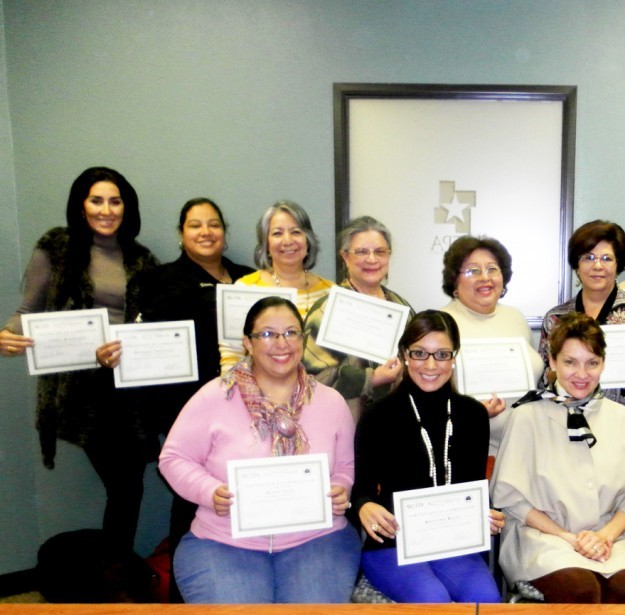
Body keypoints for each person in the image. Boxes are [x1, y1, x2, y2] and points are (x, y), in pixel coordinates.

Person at [159, 297, 360, 603]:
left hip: (318, 541)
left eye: (292, 333)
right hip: (224, 543)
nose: (282, 343)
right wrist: (210, 492)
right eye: (267, 334)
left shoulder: (331, 402)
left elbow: (345, 465)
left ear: (303, 341)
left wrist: (339, 488)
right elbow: (173, 458)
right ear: (248, 344)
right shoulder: (215, 396)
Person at [0, 166, 157, 552]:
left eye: (115, 201)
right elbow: (28, 309)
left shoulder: (142, 258)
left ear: (127, 207)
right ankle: (114, 573)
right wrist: (7, 334)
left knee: (130, 485)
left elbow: (151, 321)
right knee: (124, 485)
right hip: (82, 394)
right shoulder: (56, 246)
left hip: (132, 389)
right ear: (81, 205)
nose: (106, 210)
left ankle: (114, 571)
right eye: (96, 200)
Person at [126, 197, 253, 599]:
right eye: (195, 225)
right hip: (187, 408)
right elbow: (141, 345)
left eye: (214, 224)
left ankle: (243, 579)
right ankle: (185, 592)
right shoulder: (156, 280)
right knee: (191, 500)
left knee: (244, 494)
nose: (205, 232)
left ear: (225, 232)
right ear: (181, 233)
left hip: (251, 409)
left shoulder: (250, 280)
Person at [491, 312, 625, 603]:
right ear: (553, 362)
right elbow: (510, 496)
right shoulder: (525, 416)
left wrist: (604, 536)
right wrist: (568, 538)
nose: (582, 374)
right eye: (570, 362)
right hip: (543, 539)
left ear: (603, 363)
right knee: (581, 590)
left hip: (611, 541)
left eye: (592, 363)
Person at [350, 310, 503, 603]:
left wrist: (487, 514)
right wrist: (365, 506)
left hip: (453, 543)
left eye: (442, 354)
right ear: (406, 354)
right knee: (433, 599)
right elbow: (362, 491)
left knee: (486, 600)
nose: (431, 365)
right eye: (420, 353)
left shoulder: (472, 415)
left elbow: (472, 489)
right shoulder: (378, 415)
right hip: (393, 544)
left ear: (454, 357)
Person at [539, 220, 625, 428]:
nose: (597, 266)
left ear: (618, 264)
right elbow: (545, 379)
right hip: (567, 425)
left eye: (607, 258)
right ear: (576, 265)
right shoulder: (556, 319)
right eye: (588, 257)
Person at [439, 235, 544, 453]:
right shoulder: (439, 324)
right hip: (468, 448)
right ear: (454, 280)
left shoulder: (516, 318)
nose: (484, 278)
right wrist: (474, 413)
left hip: (524, 447)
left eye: (492, 269)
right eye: (473, 271)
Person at [304, 216, 412, 421]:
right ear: (345, 256)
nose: (372, 259)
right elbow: (310, 380)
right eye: (362, 251)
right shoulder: (326, 310)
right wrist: (371, 378)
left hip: (398, 426)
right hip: (344, 426)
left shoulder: (401, 307)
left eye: (380, 251)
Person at [219, 200, 333, 371]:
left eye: (296, 232)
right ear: (266, 244)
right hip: (260, 393)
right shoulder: (244, 289)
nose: (287, 241)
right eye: (277, 233)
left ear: (308, 240)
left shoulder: (330, 292)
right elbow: (231, 356)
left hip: (319, 392)